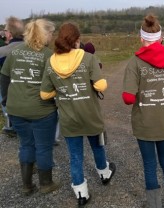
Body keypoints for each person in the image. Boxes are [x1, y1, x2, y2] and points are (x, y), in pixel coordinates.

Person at [40, 22, 116, 206]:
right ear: (77, 40)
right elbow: (100, 86)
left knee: (75, 156)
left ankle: (81, 191)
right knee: (98, 147)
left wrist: (61, 90)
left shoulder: (51, 62)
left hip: (69, 118)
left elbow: (45, 94)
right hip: (90, 115)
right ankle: (104, 173)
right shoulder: (88, 58)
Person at [122, 14, 164, 208]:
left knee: (149, 164)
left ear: (141, 38)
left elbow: (128, 98)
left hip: (145, 123)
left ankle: (154, 204)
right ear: (160, 37)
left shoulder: (135, 62)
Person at [0, 19, 60, 196]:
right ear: (45, 34)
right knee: (43, 147)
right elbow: (54, 83)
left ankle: (26, 186)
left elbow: (4, 77)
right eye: (51, 33)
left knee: (26, 145)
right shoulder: (48, 55)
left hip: (16, 109)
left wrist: (5, 100)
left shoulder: (15, 52)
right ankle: (46, 184)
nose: (52, 36)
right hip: (41, 110)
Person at [0, 16, 25, 136]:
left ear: (9, 34)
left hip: (9, 90)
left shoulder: (3, 51)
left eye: (5, 30)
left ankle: (11, 125)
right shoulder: (34, 49)